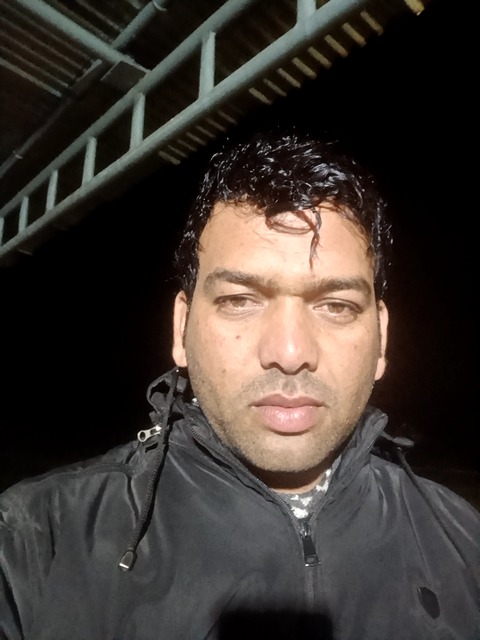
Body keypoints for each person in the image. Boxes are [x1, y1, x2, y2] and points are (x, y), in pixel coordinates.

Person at [0, 129, 479, 640]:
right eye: (239, 300)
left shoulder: (465, 541)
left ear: (381, 338)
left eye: (336, 306)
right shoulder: (34, 544)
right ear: (181, 329)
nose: (290, 353)